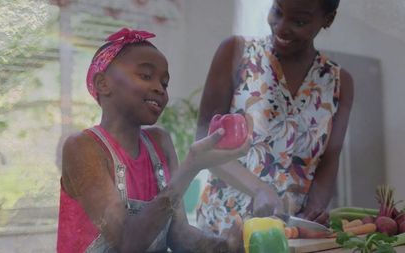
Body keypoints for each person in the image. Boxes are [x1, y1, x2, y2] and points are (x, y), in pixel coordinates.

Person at [56, 28, 251, 253]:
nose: (159, 88)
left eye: (165, 83)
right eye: (146, 76)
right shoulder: (82, 147)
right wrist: (190, 167)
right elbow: (127, 243)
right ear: (103, 84)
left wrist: (225, 245)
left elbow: (178, 235)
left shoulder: (160, 142)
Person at [195, 0, 353, 235]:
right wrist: (258, 188)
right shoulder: (236, 53)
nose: (281, 27)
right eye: (277, 11)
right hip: (222, 229)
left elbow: (329, 159)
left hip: (286, 235)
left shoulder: (339, 83)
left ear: (327, 19)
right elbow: (203, 142)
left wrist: (314, 209)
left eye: (299, 21)